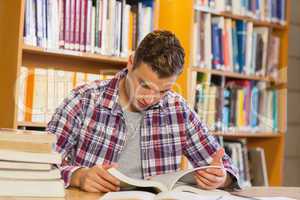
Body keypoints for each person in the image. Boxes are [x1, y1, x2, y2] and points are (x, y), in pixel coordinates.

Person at [47, 30, 239, 193]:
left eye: (163, 91)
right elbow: (39, 166)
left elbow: (226, 168)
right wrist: (78, 176)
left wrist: (221, 178)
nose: (150, 98)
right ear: (130, 63)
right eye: (144, 85)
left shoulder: (178, 110)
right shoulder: (83, 101)